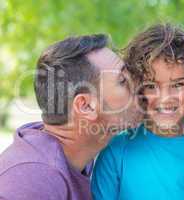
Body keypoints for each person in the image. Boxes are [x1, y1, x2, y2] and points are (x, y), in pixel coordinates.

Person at [0, 34, 140, 200]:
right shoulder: (32, 182)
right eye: (123, 80)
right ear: (85, 106)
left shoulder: (77, 158)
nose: (139, 85)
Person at [91, 24, 184, 200]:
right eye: (151, 86)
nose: (166, 98)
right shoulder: (116, 151)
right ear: (136, 88)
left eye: (178, 84)